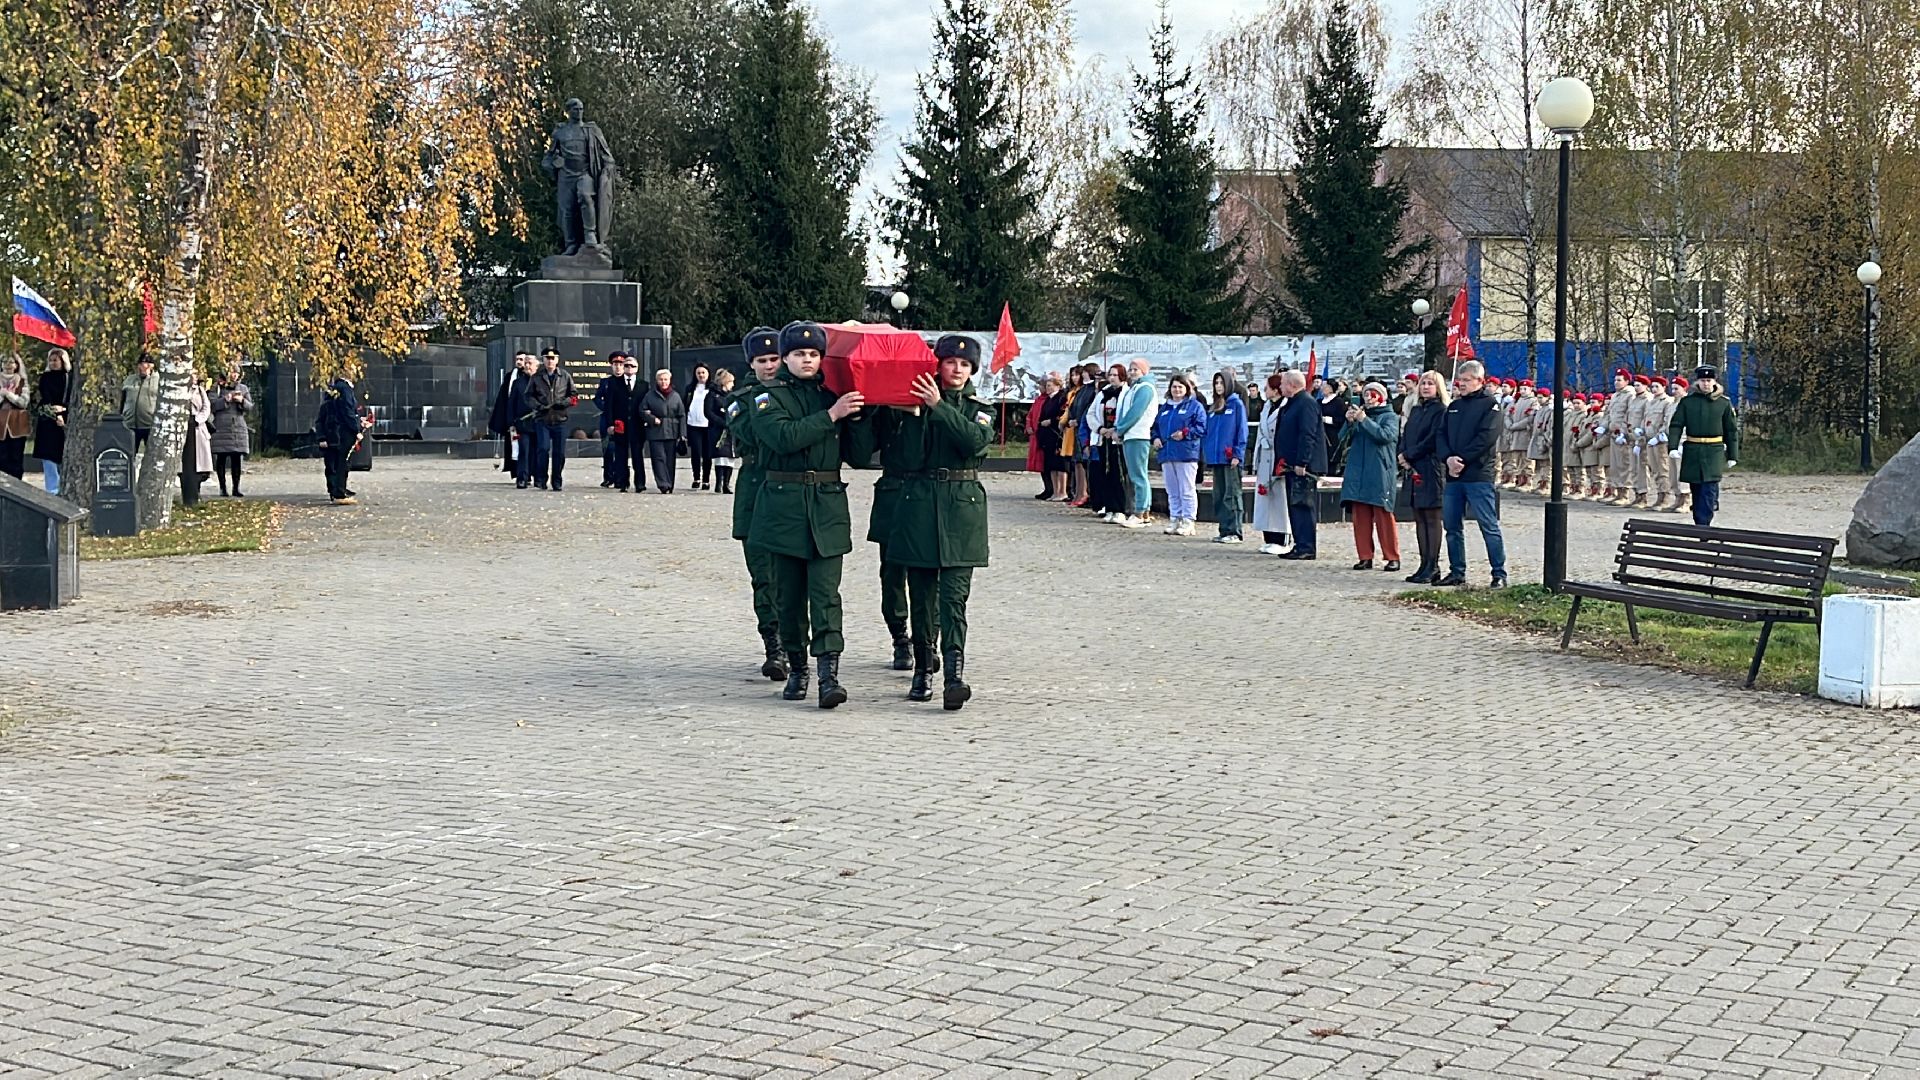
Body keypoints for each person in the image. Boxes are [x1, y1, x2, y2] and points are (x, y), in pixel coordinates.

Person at [864, 335, 993, 709]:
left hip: (962, 511)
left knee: (953, 600)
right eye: (950, 362)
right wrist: (914, 415)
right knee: (921, 597)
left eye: (965, 364)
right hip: (918, 506)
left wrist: (938, 406)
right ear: (937, 365)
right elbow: (906, 458)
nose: (957, 369)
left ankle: (954, 675)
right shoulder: (912, 407)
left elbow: (974, 442)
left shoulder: (979, 409)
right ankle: (923, 669)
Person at [750, 321, 866, 708]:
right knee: (789, 597)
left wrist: (860, 418)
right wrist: (832, 415)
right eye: (799, 354)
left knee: (826, 596)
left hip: (827, 507)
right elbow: (783, 438)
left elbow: (860, 456)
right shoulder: (767, 397)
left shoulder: (831, 396)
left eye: (814, 354)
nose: (807, 360)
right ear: (785, 358)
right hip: (783, 507)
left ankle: (829, 676)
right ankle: (798, 668)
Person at [727, 328, 788, 682]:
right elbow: (755, 435)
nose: (769, 366)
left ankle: (794, 643)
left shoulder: (798, 393)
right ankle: (773, 646)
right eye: (761, 360)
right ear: (751, 363)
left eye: (774, 358)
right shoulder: (741, 399)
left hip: (791, 495)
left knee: (793, 578)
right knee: (764, 576)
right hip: (756, 491)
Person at [1435, 361, 1507, 588]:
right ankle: (1457, 572)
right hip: (1454, 476)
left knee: (1488, 525)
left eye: (1467, 380)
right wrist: (1448, 458)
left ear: (1479, 381)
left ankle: (1499, 573)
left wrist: (1462, 459)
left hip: (1478, 475)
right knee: (1452, 526)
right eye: (1460, 380)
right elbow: (1441, 435)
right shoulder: (1454, 406)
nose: (1462, 384)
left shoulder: (1490, 406)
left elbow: (1486, 438)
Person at [1667, 364, 1740, 527]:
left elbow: (1731, 430)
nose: (1706, 384)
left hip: (1714, 450)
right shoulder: (1688, 402)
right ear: (1697, 382)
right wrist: (1672, 447)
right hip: (1693, 449)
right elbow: (1676, 425)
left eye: (1709, 380)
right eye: (1703, 380)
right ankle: (1700, 524)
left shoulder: (1723, 403)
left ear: (1714, 382)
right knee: (1696, 489)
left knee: (1709, 488)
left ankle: (1704, 526)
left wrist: (1732, 455)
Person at [1341, 381, 1401, 571]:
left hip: (1379, 470)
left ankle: (1392, 556)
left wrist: (1364, 420)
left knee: (1383, 514)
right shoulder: (1360, 416)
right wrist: (1349, 423)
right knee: (1360, 516)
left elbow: (1384, 436)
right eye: (1366, 394)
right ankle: (1365, 556)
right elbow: (1341, 439)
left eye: (1372, 394)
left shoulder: (1390, 416)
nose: (1368, 398)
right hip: (1358, 470)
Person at [1397, 370, 1449, 583]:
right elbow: (1406, 433)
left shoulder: (1441, 410)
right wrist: (1402, 453)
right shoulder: (1417, 409)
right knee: (1418, 516)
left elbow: (1432, 439)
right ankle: (1423, 563)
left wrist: (1410, 454)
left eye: (1430, 384)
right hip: (1412, 466)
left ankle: (1433, 565)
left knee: (1431, 517)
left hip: (1430, 465)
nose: (1426, 387)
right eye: (1423, 383)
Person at [1275, 370, 1327, 561]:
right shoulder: (1292, 403)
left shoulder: (1306, 403)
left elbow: (1308, 434)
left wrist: (1302, 461)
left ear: (1292, 385)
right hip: (1290, 464)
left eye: (1283, 383)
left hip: (1302, 466)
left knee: (1303, 504)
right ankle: (1299, 544)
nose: (1280, 387)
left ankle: (1307, 546)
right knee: (1295, 505)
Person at [1152, 373, 1206, 535]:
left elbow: (1201, 427)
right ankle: (1175, 518)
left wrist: (1185, 433)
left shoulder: (1195, 406)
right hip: (1167, 454)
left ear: (1187, 389)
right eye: (1174, 387)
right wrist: (1155, 438)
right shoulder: (1164, 408)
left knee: (1186, 489)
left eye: (1180, 387)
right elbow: (1155, 427)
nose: (1177, 390)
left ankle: (1188, 521)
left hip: (1186, 454)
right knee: (1172, 490)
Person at [1202, 369, 1249, 544]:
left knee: (1232, 494)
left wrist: (1237, 453)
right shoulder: (1214, 407)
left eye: (1221, 383)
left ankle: (1235, 530)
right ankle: (1224, 529)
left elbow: (1241, 430)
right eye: (1216, 383)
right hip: (1216, 458)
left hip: (1230, 458)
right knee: (1219, 495)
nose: (1218, 386)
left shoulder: (1236, 405)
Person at [1113, 358, 1159, 528]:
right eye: (1131, 369)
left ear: (1144, 371)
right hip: (1131, 435)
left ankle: (1139, 512)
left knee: (1138, 476)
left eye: (1136, 369)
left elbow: (1135, 412)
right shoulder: (1135, 387)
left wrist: (1120, 429)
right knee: (1137, 475)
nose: (1132, 372)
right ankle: (1144, 512)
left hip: (1138, 435)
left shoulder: (1145, 388)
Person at [1249, 374, 1290, 553]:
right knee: (1265, 498)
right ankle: (1269, 536)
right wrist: (1256, 461)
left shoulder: (1285, 407)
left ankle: (1282, 539)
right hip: (1265, 454)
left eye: (1267, 387)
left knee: (1279, 499)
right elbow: (1260, 433)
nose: (1264, 390)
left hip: (1277, 456)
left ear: (1275, 390)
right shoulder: (1266, 406)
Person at [315, 377, 370, 505]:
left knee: (339, 463)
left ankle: (338, 489)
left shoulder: (337, 393)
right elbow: (346, 412)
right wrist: (356, 429)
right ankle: (337, 491)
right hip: (337, 435)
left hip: (336, 434)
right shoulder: (342, 392)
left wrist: (359, 422)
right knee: (337, 464)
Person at [528, 348, 575, 491]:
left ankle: (557, 480)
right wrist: (538, 406)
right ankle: (541, 479)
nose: (550, 361)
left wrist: (564, 403)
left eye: (552, 358)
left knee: (559, 453)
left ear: (557, 360)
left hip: (560, 419)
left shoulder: (565, 376)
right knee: (543, 449)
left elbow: (573, 395)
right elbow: (528, 396)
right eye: (547, 358)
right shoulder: (536, 377)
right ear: (543, 360)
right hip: (543, 419)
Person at [592, 352, 640, 491]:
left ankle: (620, 477)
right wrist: (607, 409)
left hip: (624, 420)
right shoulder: (606, 382)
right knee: (608, 449)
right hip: (608, 420)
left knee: (622, 450)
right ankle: (608, 476)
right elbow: (597, 398)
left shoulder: (629, 382)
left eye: (621, 364)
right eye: (615, 364)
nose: (618, 367)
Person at [1086, 364, 1127, 520]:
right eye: (1110, 375)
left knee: (1118, 474)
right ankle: (1110, 507)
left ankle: (1120, 508)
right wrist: (1100, 429)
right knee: (1105, 472)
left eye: (1115, 375)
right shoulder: (1103, 393)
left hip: (1118, 439)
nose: (1112, 378)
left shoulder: (1126, 393)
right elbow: (1091, 413)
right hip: (1104, 437)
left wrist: (1116, 430)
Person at [640, 368, 686, 494]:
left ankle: (670, 483)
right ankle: (663, 484)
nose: (663, 382)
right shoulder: (650, 395)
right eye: (661, 379)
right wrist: (652, 419)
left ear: (670, 380)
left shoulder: (675, 396)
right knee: (658, 458)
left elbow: (681, 415)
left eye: (666, 379)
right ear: (657, 381)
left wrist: (682, 434)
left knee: (670, 460)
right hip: (655, 432)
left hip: (672, 431)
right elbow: (642, 410)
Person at [208, 365, 252, 497]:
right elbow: (211, 405)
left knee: (236, 458)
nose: (234, 375)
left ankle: (236, 488)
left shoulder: (243, 388)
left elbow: (250, 406)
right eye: (232, 372)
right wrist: (225, 400)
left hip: (238, 426)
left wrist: (242, 401)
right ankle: (222, 488)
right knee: (221, 457)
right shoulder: (217, 387)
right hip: (221, 426)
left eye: (236, 372)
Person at [32, 349, 71, 493]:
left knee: (61, 453)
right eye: (51, 360)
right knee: (48, 455)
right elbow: (45, 395)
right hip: (48, 419)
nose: (53, 363)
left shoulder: (69, 377)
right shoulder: (45, 377)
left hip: (65, 416)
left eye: (56, 360)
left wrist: (63, 410)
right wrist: (54, 413)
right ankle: (52, 489)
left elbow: (69, 397)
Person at [1066, 363, 1101, 506]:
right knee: (1077, 461)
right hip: (1077, 428)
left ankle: (1085, 493)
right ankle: (1078, 493)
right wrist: (1071, 419)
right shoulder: (1082, 390)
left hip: (1086, 428)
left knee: (1083, 461)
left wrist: (1079, 420)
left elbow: (1089, 410)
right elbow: (1073, 407)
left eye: (1084, 372)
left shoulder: (1093, 390)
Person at [1035, 373, 1069, 502]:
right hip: (1047, 435)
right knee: (1050, 465)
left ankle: (1062, 491)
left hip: (1057, 434)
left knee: (1060, 465)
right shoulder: (1048, 400)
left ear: (1057, 386)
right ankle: (1055, 491)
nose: (1047, 388)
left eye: (1050, 385)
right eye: (1047, 386)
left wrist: (1051, 421)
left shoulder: (1061, 398)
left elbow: (1063, 414)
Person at [180, 374, 214, 504]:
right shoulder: (180, 389)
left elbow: (206, 407)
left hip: (198, 428)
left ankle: (196, 492)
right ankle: (187, 495)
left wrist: (198, 419)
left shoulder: (200, 390)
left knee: (201, 464)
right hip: (183, 427)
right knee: (185, 465)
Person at [1644, 375, 1676, 510]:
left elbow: (1666, 421)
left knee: (1663, 470)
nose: (1654, 389)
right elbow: (1646, 419)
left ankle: (1665, 497)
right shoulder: (1651, 402)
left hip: (1661, 441)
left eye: (1657, 386)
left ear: (1664, 387)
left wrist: (1659, 435)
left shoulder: (1667, 402)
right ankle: (1659, 495)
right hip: (1650, 440)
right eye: (1652, 386)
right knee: (1655, 470)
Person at [686, 364, 719, 490]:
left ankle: (706, 480)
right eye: (698, 373)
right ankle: (696, 478)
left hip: (708, 425)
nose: (701, 375)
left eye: (703, 372)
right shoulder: (690, 389)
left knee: (707, 453)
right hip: (693, 424)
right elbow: (686, 404)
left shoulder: (713, 389)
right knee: (696, 452)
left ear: (708, 374)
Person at [0, 354, 30, 479]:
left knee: (16, 458)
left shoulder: (22, 381)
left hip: (18, 424)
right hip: (1, 425)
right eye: (5, 362)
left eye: (11, 362)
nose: (8, 365)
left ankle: (17, 485)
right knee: (2, 458)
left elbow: (24, 402)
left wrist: (9, 394)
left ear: (16, 365)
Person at [120, 356, 160, 448]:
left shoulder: (158, 381)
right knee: (129, 452)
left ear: (152, 366)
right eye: (141, 364)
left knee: (151, 453)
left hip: (150, 425)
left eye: (147, 364)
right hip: (130, 424)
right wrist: (121, 416)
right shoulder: (130, 380)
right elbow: (123, 400)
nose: (144, 367)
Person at [1665, 378, 1692, 514]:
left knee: (1683, 472)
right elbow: (1667, 422)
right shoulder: (1671, 404)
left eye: (1677, 388)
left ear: (1684, 389)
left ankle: (1686, 499)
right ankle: (1677, 498)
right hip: (1672, 442)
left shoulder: (1688, 403)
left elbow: (1689, 424)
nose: (1673, 391)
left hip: (1683, 442)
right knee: (1673, 473)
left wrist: (1685, 441)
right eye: (1673, 388)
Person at [711, 368, 737, 494]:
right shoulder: (713, 395)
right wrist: (722, 422)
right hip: (718, 429)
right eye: (731, 382)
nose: (733, 385)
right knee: (720, 456)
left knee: (730, 457)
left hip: (731, 430)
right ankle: (719, 482)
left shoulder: (732, 396)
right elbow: (709, 412)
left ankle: (727, 483)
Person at [1023, 384, 1048, 497]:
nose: (1040, 388)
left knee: (1045, 463)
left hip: (1043, 434)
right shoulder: (1038, 400)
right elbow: (1030, 415)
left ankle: (1051, 488)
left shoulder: (1048, 400)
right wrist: (1028, 426)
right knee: (1040, 464)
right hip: (1035, 434)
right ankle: (1047, 488)